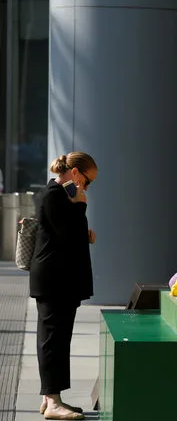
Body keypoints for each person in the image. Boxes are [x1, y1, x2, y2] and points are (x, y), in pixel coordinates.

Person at [29, 152, 98, 420]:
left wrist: (84, 232)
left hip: (60, 279)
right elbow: (65, 235)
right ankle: (53, 400)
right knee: (52, 340)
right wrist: (81, 206)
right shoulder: (54, 195)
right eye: (88, 181)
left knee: (58, 339)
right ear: (77, 173)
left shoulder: (62, 196)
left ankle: (52, 399)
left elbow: (67, 234)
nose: (87, 187)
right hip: (53, 280)